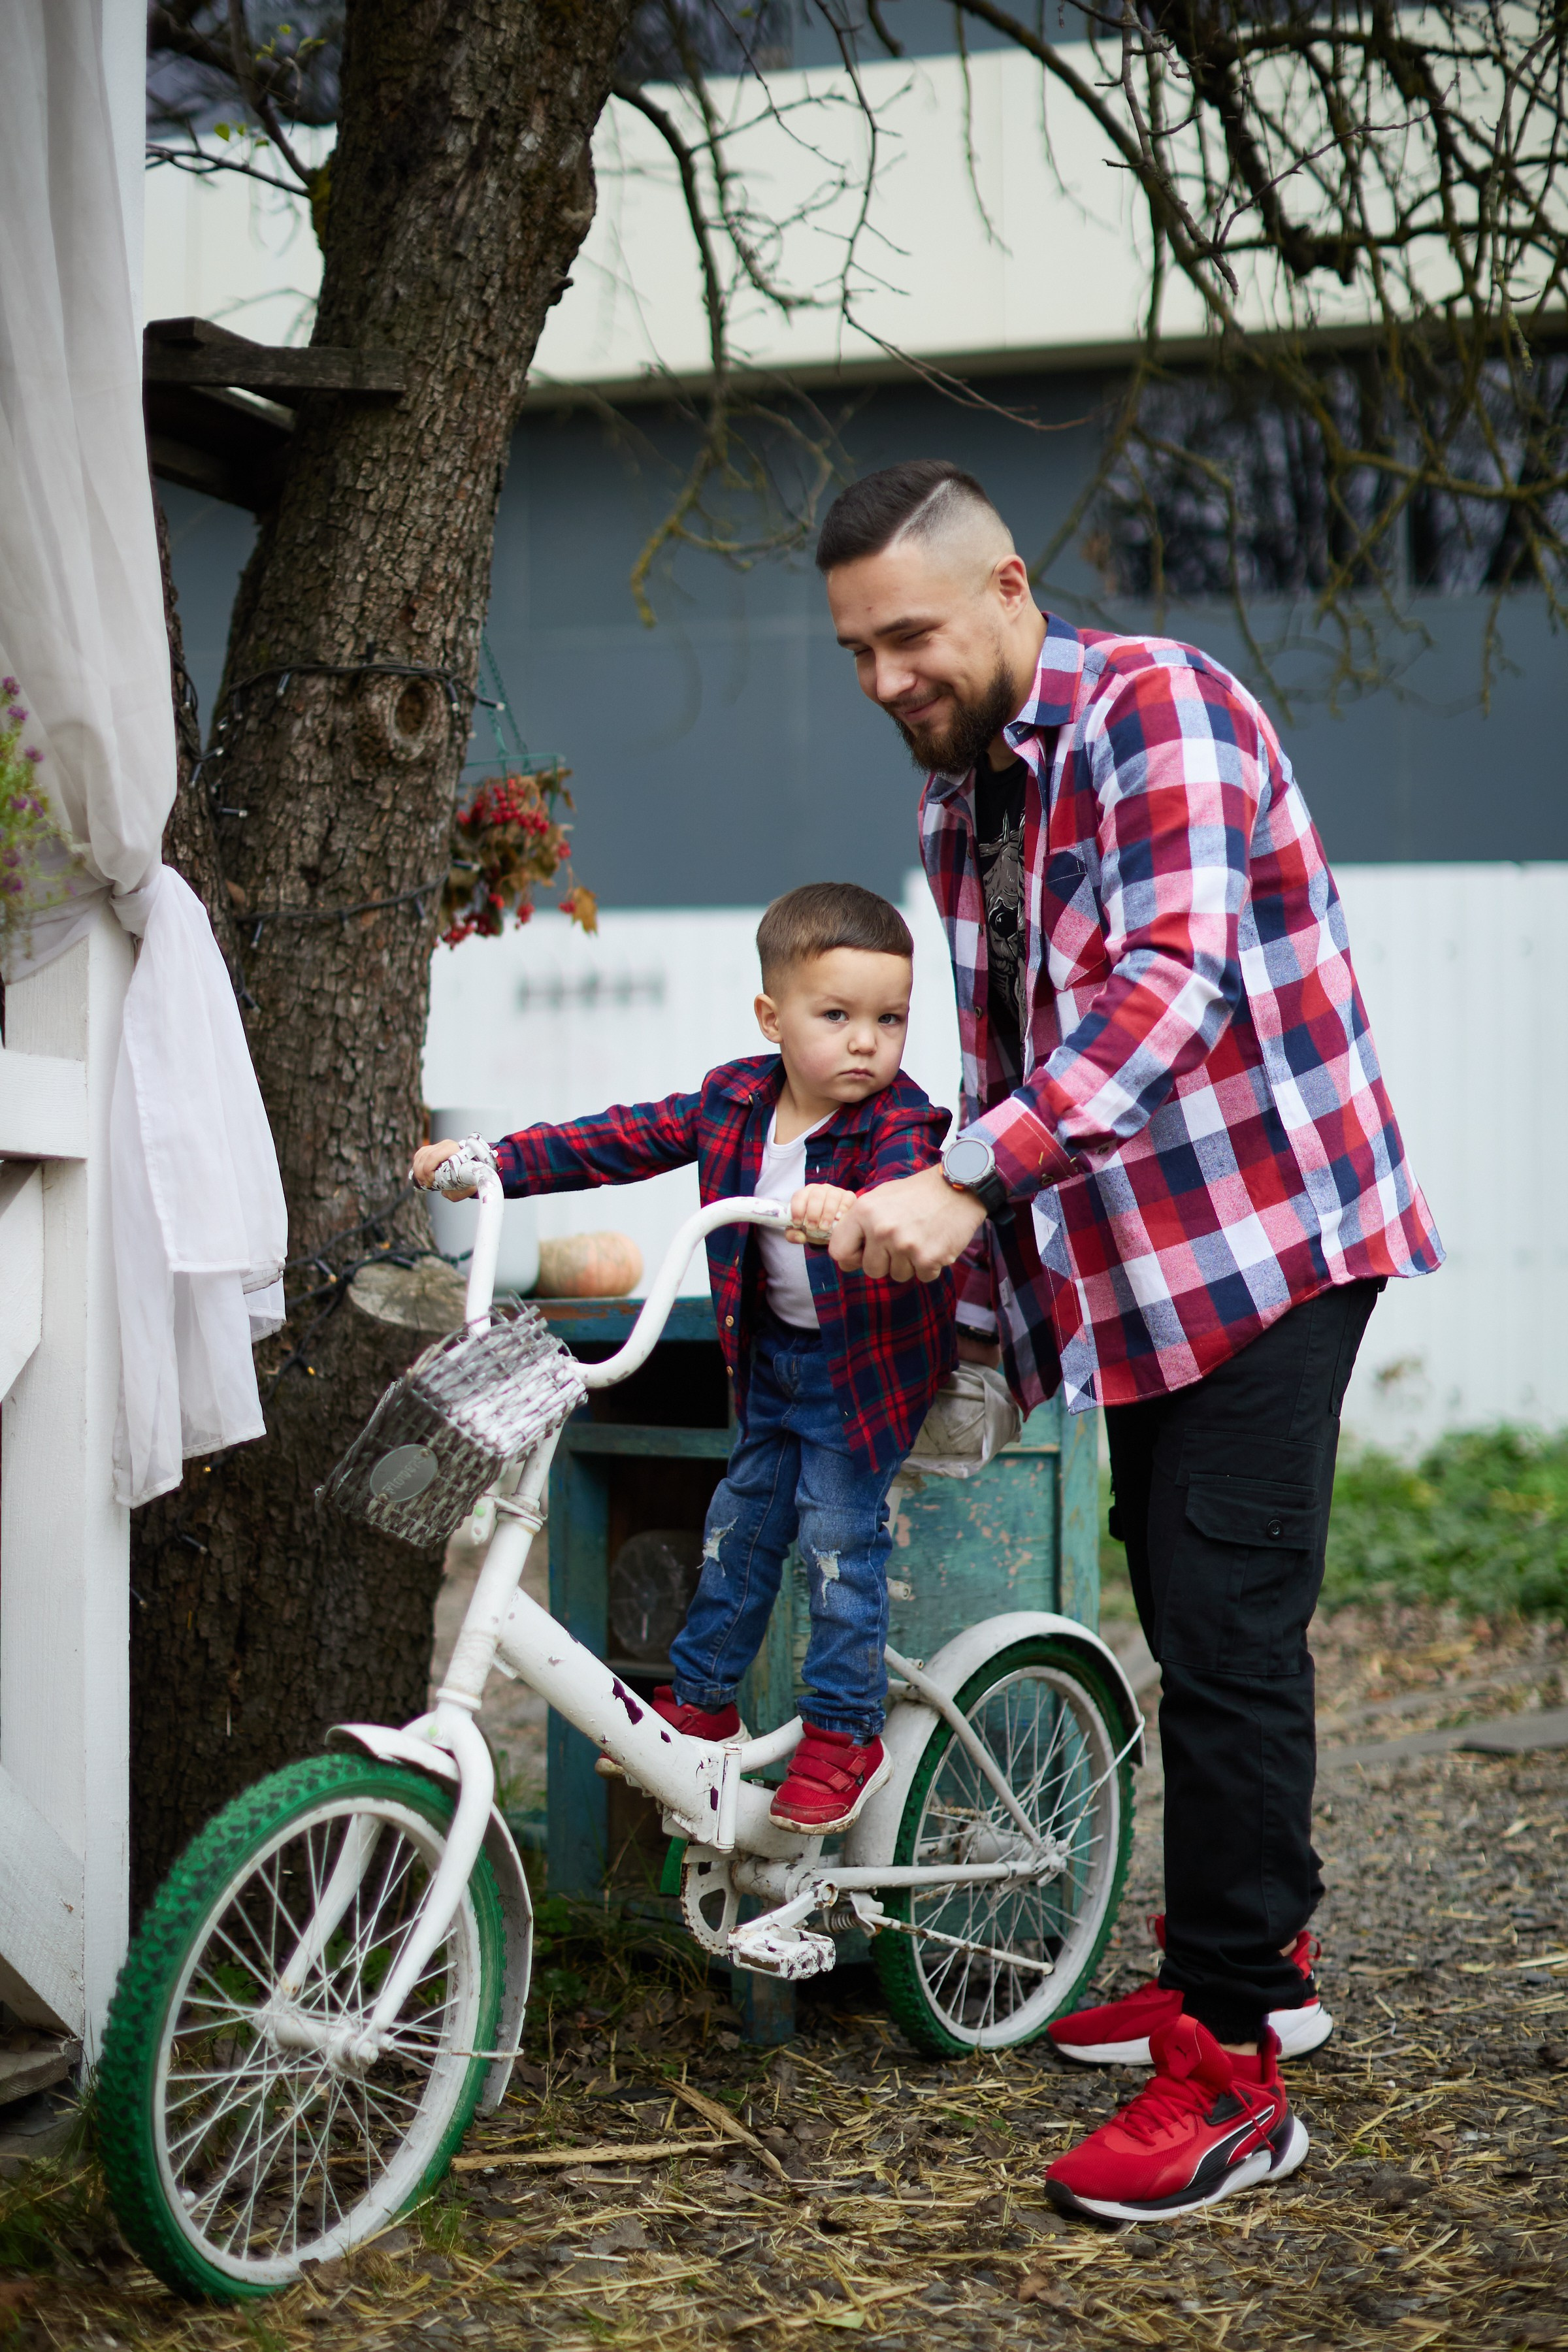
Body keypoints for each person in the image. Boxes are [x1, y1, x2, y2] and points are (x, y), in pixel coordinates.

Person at [815, 461, 1443, 2225]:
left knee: (1231, 1629)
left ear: (1011, 588)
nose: (885, 681)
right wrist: (957, 1279)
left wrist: (964, 1182)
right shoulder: (964, 816)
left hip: (1276, 1239)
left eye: (911, 637)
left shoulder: (1157, 708)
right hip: (1139, 1277)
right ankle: (1268, 1961)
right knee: (1177, 1601)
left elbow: (1171, 988)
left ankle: (1236, 2073)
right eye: (858, 653)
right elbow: (1017, 1069)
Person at [412, 881, 955, 1834]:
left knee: (837, 1541)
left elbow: (912, 1184)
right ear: (772, 1018)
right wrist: (492, 1160)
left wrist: (857, 1207)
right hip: (777, 1368)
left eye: (890, 1018)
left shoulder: (898, 1123)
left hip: (860, 1382)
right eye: (837, 1016)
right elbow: (618, 1139)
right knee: (735, 1530)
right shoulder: (732, 1099)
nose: (867, 1042)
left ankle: (843, 1732)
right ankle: (699, 1707)